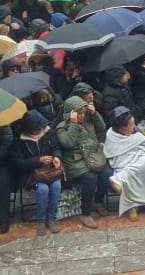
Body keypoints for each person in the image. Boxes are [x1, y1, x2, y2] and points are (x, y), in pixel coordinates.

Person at [56, 94, 109, 228]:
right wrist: (74, 124)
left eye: (84, 113)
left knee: (106, 174)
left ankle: (98, 201)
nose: (83, 116)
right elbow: (67, 142)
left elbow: (102, 127)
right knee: (90, 179)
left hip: (92, 156)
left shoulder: (88, 121)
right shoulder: (62, 127)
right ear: (71, 114)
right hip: (75, 162)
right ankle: (85, 213)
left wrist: (95, 114)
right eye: (79, 114)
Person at [11, 109, 63, 237]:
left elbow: (56, 148)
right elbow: (18, 163)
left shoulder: (48, 133)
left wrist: (56, 157)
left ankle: (51, 218)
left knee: (56, 186)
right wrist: (37, 160)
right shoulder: (19, 141)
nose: (39, 131)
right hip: (31, 174)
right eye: (36, 129)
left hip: (49, 171)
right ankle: (41, 220)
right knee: (43, 189)